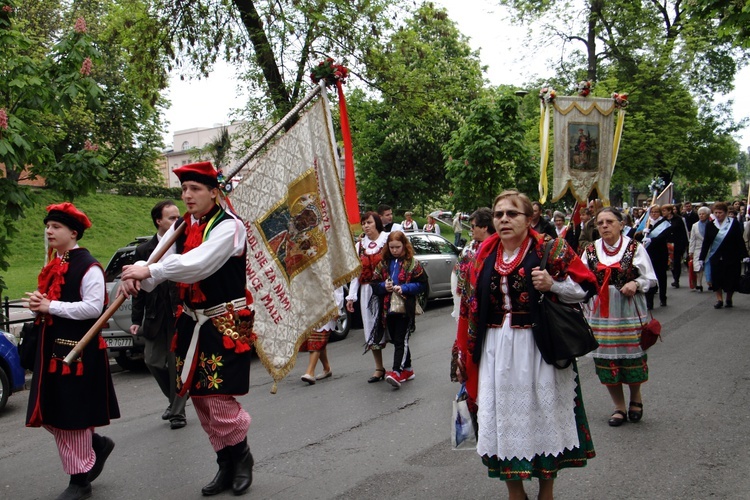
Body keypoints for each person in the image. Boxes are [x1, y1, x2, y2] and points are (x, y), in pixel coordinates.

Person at [120, 161, 255, 496]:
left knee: (219, 398)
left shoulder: (229, 227)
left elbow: (197, 265)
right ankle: (224, 464)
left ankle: (242, 459)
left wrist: (149, 273)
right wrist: (137, 272)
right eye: (184, 189)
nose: (187, 195)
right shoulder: (183, 225)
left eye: (195, 189)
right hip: (191, 321)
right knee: (200, 399)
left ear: (214, 192)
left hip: (222, 321)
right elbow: (156, 257)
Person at [457, 190, 597, 500]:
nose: (504, 219)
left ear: (529, 218)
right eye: (498, 215)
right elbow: (468, 307)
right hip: (496, 348)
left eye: (512, 214)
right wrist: (465, 355)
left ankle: (546, 490)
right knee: (502, 417)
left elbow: (588, 287)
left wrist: (554, 284)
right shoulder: (481, 256)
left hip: (538, 347)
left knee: (542, 413)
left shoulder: (551, 248)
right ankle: (515, 492)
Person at [24, 202, 120, 500]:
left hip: (77, 355)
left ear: (73, 232)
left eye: (56, 227)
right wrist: (40, 303)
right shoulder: (57, 262)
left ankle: (80, 481)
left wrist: (49, 306)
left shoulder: (88, 266)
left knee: (72, 417)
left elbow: (94, 308)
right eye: (48, 226)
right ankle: (96, 446)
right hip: (52, 351)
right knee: (52, 414)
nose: (49, 231)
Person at [582, 208, 657, 427]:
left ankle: (636, 398)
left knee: (632, 357)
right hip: (600, 311)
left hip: (628, 309)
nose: (604, 226)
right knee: (606, 360)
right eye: (600, 223)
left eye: (609, 221)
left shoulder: (634, 248)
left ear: (621, 224)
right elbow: (581, 278)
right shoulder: (591, 250)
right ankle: (619, 407)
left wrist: (636, 283)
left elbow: (650, 278)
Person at [129, 200, 188, 430]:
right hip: (155, 316)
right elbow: (137, 289)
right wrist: (136, 320)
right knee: (153, 361)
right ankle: (174, 401)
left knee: (176, 365)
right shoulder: (144, 250)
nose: (177, 221)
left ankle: (178, 413)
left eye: (178, 217)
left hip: (178, 313)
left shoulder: (183, 245)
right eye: (172, 218)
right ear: (159, 221)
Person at [371, 232, 428, 389]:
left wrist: (404, 288)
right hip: (388, 307)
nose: (394, 250)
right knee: (397, 339)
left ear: (404, 246)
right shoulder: (383, 264)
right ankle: (408, 369)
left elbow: (422, 284)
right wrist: (384, 286)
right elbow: (374, 284)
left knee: (401, 339)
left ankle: (397, 371)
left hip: (405, 307)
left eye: (398, 247)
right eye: (391, 247)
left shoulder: (413, 264)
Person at [346, 212, 389, 383]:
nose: (366, 226)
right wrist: (351, 297)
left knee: (393, 325)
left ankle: (403, 365)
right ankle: (379, 367)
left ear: (377, 223)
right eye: (364, 223)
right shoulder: (360, 246)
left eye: (369, 222)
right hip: (367, 291)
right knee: (371, 327)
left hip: (386, 289)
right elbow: (357, 273)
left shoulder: (386, 240)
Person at [699, 202, 748, 309]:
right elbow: (706, 242)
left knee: (731, 278)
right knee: (716, 278)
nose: (718, 215)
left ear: (725, 213)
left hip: (731, 256)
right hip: (716, 257)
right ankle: (719, 299)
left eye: (720, 213)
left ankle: (729, 298)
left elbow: (739, 240)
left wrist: (744, 254)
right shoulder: (710, 225)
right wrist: (701, 257)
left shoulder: (733, 223)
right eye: (716, 212)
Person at [299, 287, 343, 384]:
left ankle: (310, 372)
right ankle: (326, 368)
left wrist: (337, 307)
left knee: (317, 338)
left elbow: (338, 285)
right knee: (317, 339)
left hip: (326, 307)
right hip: (311, 307)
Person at [640, 204, 672, 309]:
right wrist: (642, 233)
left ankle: (663, 297)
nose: (654, 214)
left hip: (660, 253)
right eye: (652, 212)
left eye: (656, 212)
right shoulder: (646, 223)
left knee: (661, 276)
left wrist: (651, 239)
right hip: (648, 253)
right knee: (648, 276)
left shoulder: (665, 224)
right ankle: (649, 302)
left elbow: (664, 237)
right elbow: (637, 236)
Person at [664, 204, 689, 288]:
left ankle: (676, 279)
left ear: (669, 211)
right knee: (670, 262)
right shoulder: (663, 220)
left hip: (677, 243)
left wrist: (685, 243)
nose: (663, 212)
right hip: (667, 244)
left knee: (677, 261)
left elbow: (683, 231)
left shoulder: (678, 219)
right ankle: (674, 274)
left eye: (664, 210)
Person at [688, 206, 711, 292]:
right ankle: (699, 284)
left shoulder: (712, 224)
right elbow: (692, 239)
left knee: (709, 265)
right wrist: (691, 251)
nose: (701, 216)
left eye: (703, 214)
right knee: (698, 267)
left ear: (707, 215)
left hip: (709, 248)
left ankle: (710, 282)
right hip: (698, 248)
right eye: (699, 214)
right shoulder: (695, 225)